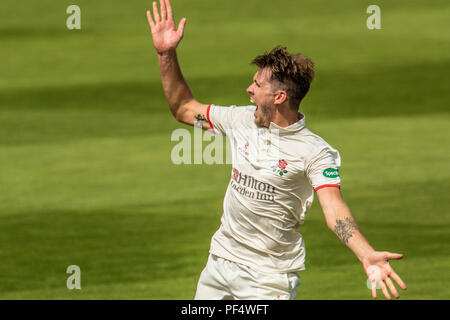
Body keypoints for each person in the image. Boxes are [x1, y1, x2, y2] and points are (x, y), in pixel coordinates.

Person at [146, 0, 407, 300]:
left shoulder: (315, 152)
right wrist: (166, 54)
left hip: (267, 279)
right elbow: (183, 108)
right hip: (219, 265)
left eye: (256, 85)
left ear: (280, 96)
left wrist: (366, 253)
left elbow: (334, 210)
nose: (249, 90)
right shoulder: (240, 119)